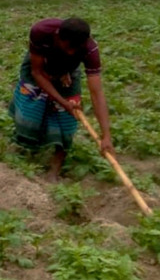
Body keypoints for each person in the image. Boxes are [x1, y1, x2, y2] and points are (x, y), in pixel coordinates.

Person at [9, 17, 114, 181]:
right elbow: (37, 72)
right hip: (40, 65)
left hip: (68, 71)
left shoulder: (90, 50)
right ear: (58, 36)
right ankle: (25, 149)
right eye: (68, 46)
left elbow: (97, 93)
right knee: (30, 111)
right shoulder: (41, 32)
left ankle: (54, 169)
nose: (71, 52)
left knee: (68, 120)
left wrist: (106, 135)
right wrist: (62, 102)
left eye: (76, 49)